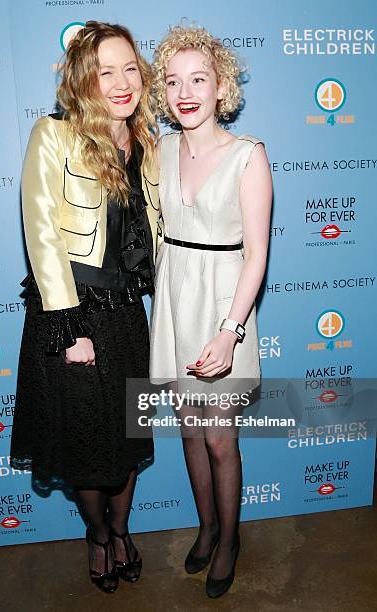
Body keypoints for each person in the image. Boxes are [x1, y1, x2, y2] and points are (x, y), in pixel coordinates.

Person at [9, 21, 163, 594]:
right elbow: (42, 234)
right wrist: (70, 329)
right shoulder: (54, 135)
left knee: (127, 437)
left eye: (130, 68)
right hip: (73, 315)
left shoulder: (148, 144)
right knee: (86, 444)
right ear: (82, 80)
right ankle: (98, 535)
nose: (122, 82)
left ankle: (122, 529)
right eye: (106, 72)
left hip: (128, 316)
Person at [150, 25, 272, 598]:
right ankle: (205, 527)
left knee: (220, 437)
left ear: (221, 86)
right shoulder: (159, 150)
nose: (185, 91)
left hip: (225, 306)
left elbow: (257, 256)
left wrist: (229, 332)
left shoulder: (249, 156)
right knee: (190, 430)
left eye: (199, 79)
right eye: (173, 82)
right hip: (175, 301)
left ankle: (230, 539)